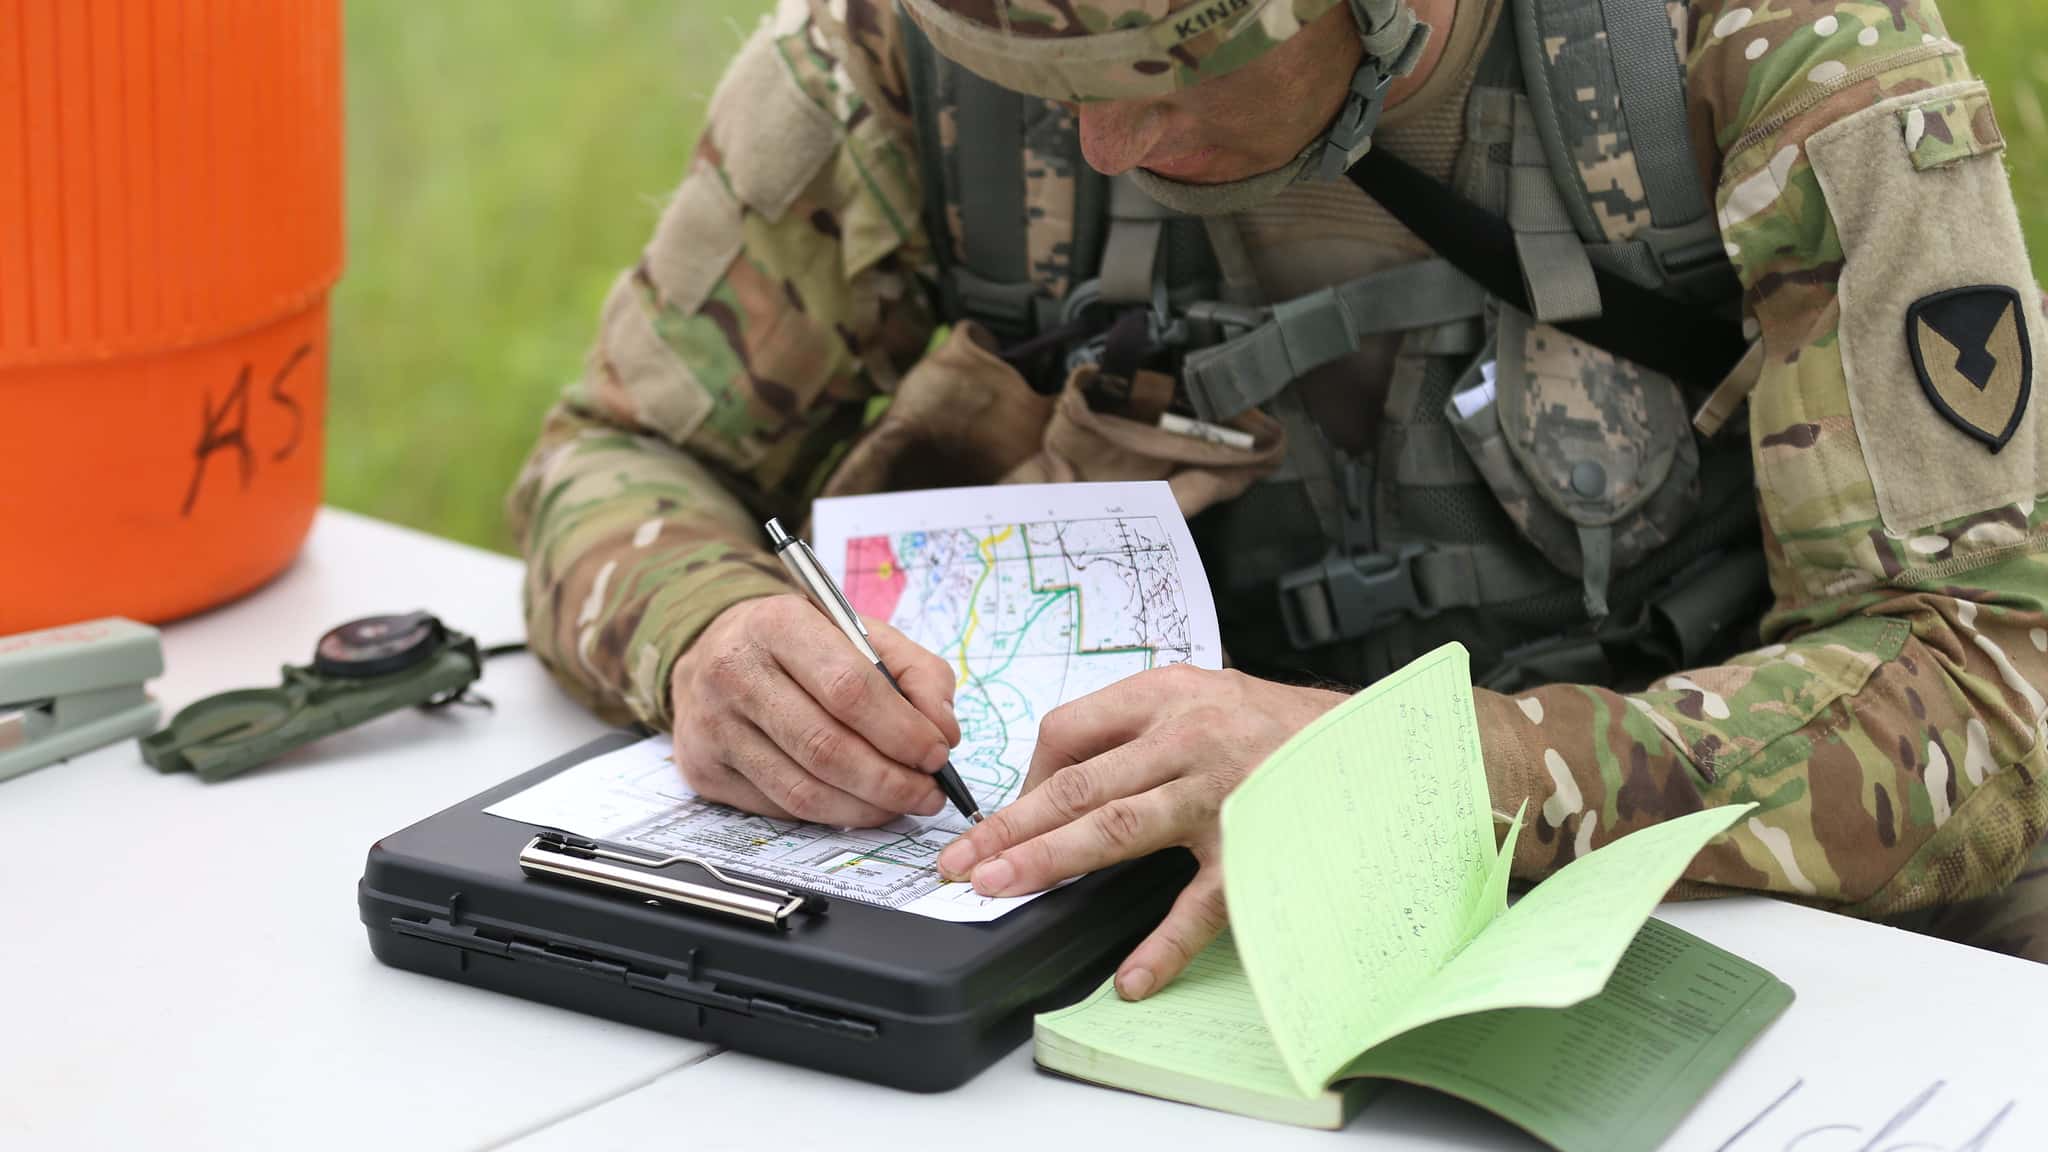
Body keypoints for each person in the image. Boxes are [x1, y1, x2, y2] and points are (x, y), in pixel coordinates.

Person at [510, 0, 2048, 999]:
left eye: (1158, 80)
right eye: (1046, 94)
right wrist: (707, 634)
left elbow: (1988, 681)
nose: (1102, 145)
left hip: (1705, 933)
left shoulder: (1765, 49)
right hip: (1154, 954)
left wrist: (1424, 772)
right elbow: (614, 458)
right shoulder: (903, 49)